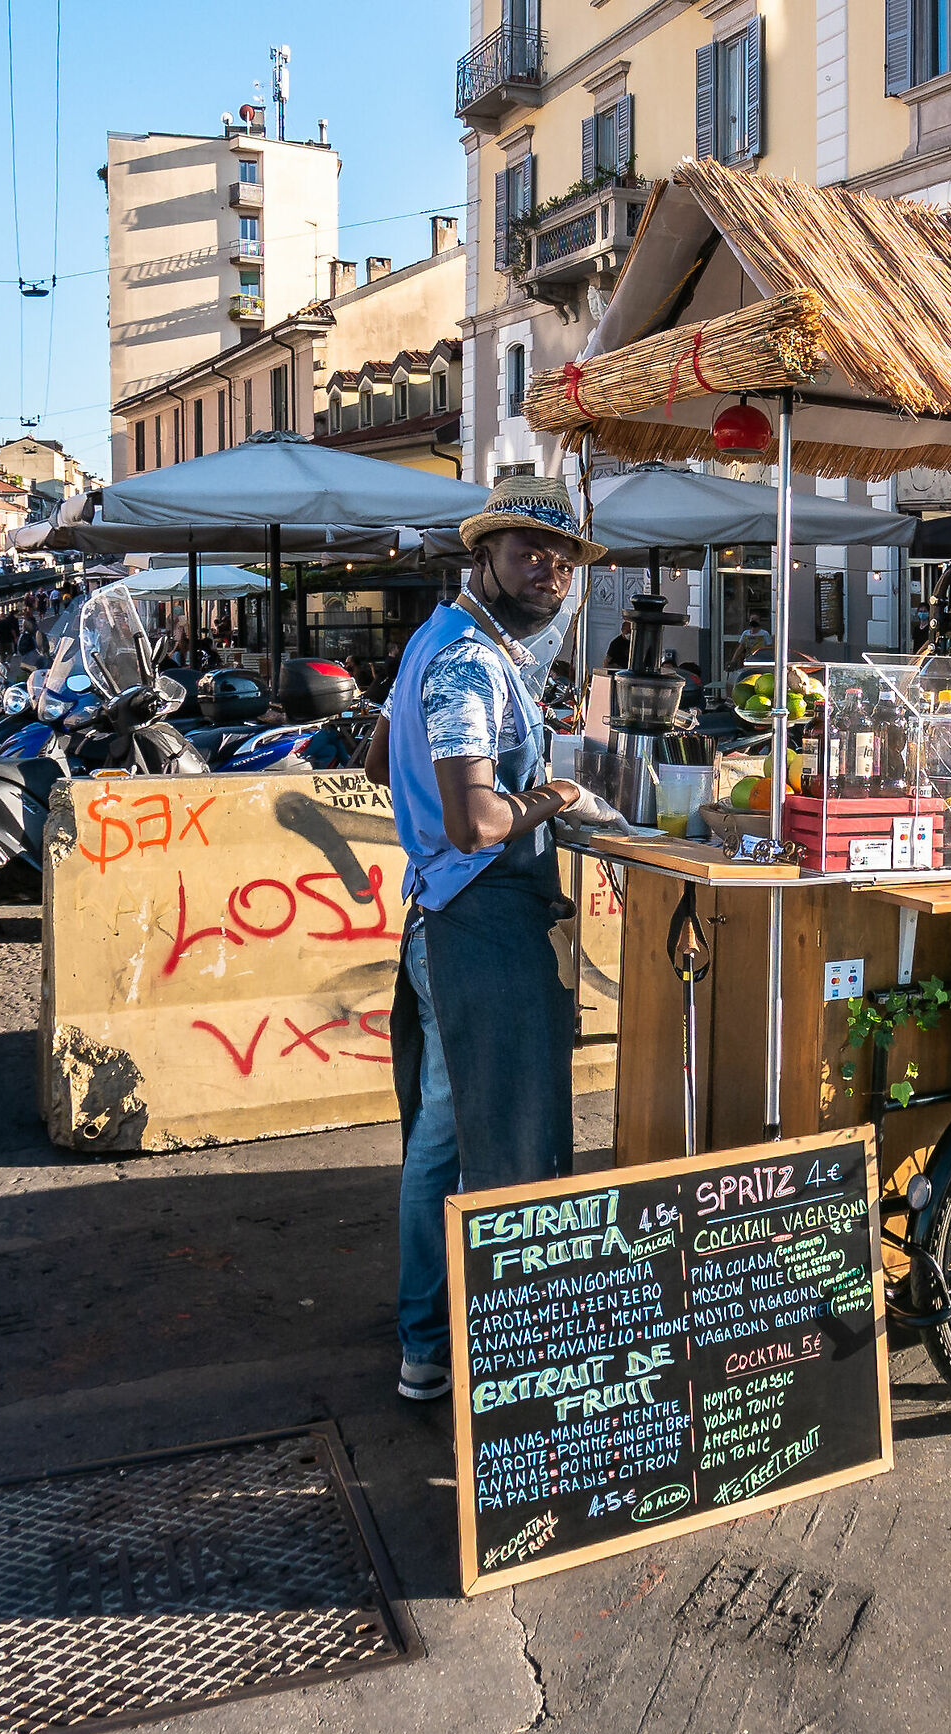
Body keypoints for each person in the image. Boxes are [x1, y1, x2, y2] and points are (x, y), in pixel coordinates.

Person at [363, 474, 624, 1404]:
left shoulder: (445, 645)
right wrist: (557, 795)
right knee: (504, 1143)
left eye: (563, 555)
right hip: (478, 920)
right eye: (527, 549)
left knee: (440, 1133)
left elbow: (376, 753)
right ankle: (504, 1364)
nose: (549, 567)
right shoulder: (471, 660)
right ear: (485, 557)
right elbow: (477, 821)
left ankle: (426, 1345)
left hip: (442, 914)